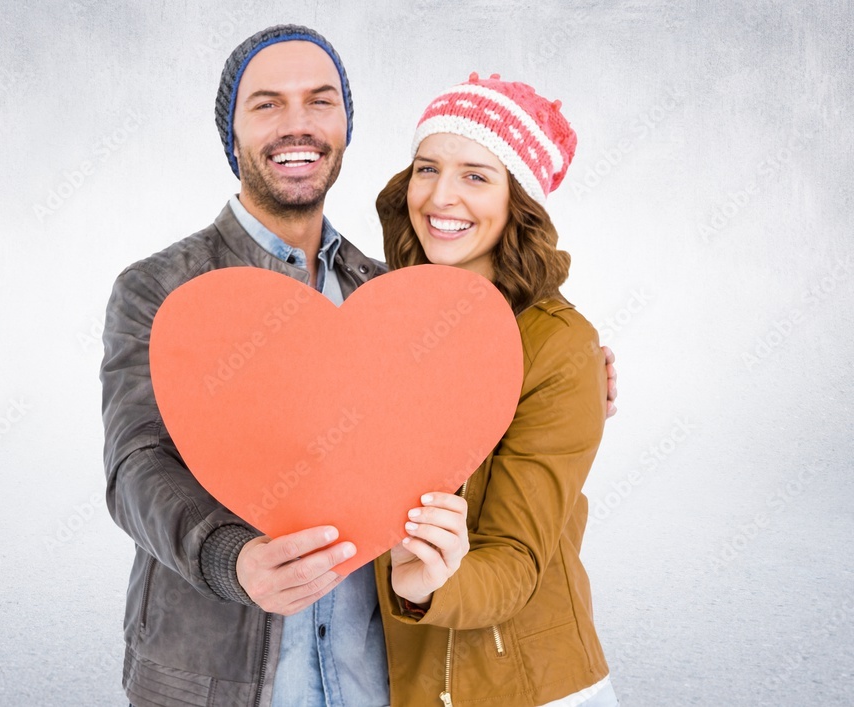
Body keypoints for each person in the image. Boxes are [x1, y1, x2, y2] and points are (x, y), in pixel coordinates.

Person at [101, 25, 618, 706]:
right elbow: (136, 464)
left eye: (320, 101)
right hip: (218, 684)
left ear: (346, 126)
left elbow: (482, 385)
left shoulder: (392, 297)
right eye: (266, 104)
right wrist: (234, 558)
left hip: (377, 681)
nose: (297, 125)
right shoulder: (160, 288)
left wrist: (571, 372)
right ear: (231, 133)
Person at [372, 74, 619, 706]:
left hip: (527, 688)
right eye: (426, 168)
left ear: (519, 202)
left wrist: (426, 584)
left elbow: (515, 561)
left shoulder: (558, 347)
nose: (440, 196)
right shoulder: (382, 320)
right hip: (402, 684)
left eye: (477, 175)